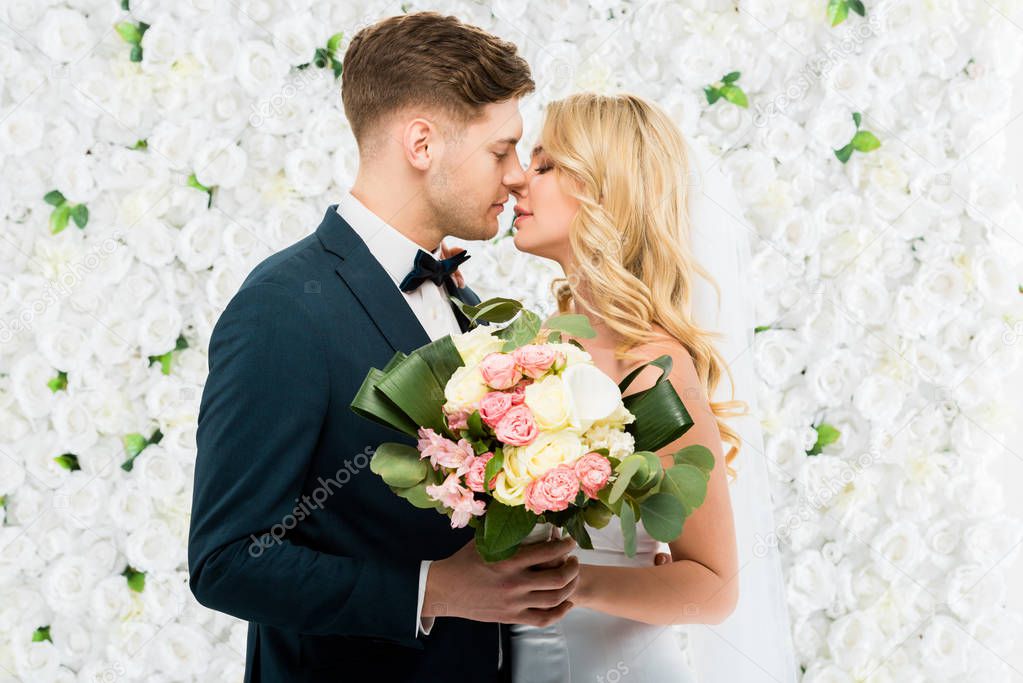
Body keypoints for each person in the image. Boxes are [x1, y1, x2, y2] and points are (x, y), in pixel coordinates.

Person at [187, 12, 582, 682]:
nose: (517, 176)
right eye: (500, 150)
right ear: (421, 144)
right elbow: (226, 559)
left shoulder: (463, 298)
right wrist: (434, 589)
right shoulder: (281, 307)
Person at [501, 92, 799, 682]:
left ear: (604, 190)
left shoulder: (649, 363)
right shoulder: (536, 341)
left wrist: (574, 582)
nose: (517, 181)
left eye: (544, 164)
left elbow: (713, 588)